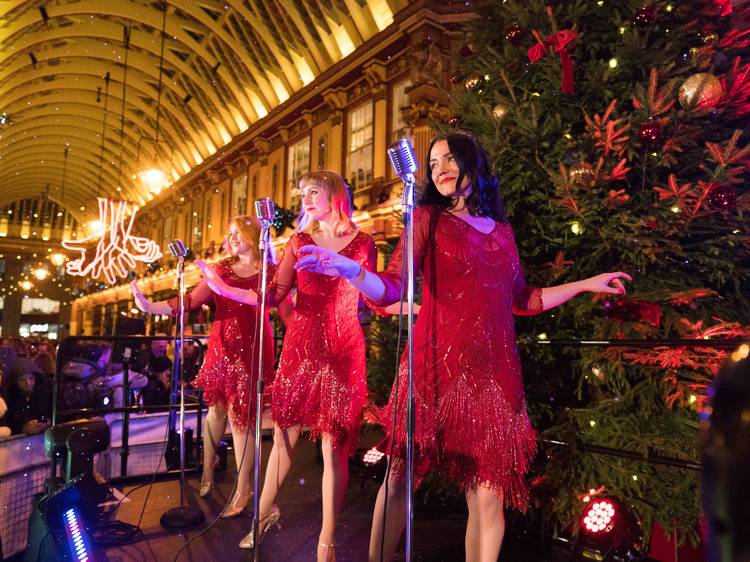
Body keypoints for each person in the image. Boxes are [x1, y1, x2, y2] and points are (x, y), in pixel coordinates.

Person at [294, 132, 632, 562]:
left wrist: (585, 284)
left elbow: (524, 299)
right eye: (433, 163)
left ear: (474, 162)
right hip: (433, 370)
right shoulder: (427, 220)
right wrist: (350, 269)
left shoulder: (503, 232)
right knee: (398, 481)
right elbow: (391, 288)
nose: (440, 169)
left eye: (449, 158)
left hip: (494, 377)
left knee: (487, 499)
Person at [198, 171, 377, 561]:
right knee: (282, 439)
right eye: (303, 193)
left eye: (314, 191)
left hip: (343, 350)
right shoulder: (298, 241)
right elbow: (275, 295)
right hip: (300, 350)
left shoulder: (364, 243)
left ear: (335, 195)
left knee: (334, 450)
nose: (307, 198)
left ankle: (326, 540)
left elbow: (374, 295)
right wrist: (226, 289)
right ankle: (261, 515)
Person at [132, 215, 291, 519]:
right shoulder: (221, 270)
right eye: (228, 233)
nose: (230, 238)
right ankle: (208, 465)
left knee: (243, 422)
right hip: (221, 349)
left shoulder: (272, 272)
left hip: (255, 351)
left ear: (255, 235)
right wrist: (149, 307)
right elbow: (190, 301)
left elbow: (287, 313)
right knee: (215, 410)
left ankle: (243, 489)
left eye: (237, 232)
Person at [5, 357, 52, 435]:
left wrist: (49, 423)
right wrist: (23, 428)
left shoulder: (46, 393)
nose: (28, 383)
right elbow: (8, 424)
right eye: (22, 380)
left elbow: (56, 415)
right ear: (15, 382)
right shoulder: (10, 398)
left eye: (31, 378)